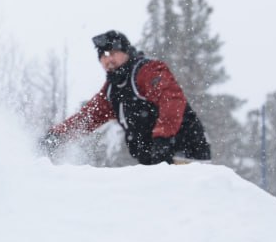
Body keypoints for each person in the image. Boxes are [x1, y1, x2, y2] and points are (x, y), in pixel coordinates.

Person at [41, 30, 212, 165]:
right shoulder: (112, 91)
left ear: (126, 52)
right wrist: (57, 136)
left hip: (184, 154)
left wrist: (163, 138)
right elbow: (87, 117)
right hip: (155, 162)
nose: (108, 59)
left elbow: (171, 99)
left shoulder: (147, 71)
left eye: (112, 52)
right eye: (103, 55)